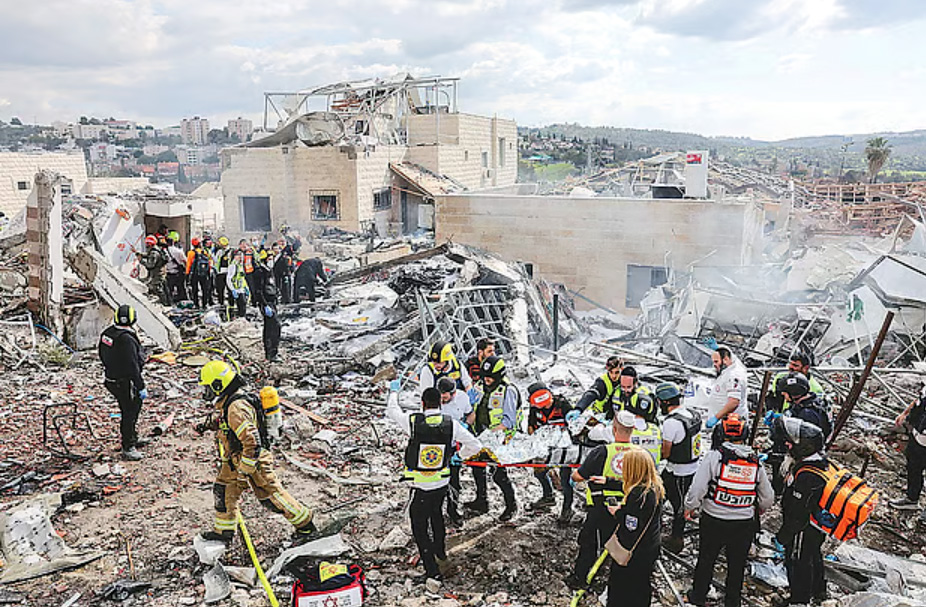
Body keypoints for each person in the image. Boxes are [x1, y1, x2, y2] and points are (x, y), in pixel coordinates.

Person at [196, 360, 316, 544]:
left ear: (218, 385)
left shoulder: (236, 408)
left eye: (208, 388)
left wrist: (245, 471)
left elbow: (252, 443)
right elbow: (227, 422)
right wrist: (208, 425)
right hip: (235, 457)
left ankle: (307, 527)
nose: (207, 393)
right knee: (224, 490)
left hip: (253, 460)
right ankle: (223, 532)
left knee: (271, 495)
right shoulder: (230, 400)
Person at [386, 382, 481, 584]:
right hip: (441, 483)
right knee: (437, 515)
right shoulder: (451, 423)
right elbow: (475, 444)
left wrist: (394, 391)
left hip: (420, 485)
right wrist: (458, 456)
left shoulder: (413, 421)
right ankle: (441, 554)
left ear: (422, 403)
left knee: (419, 527)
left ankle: (432, 571)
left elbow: (392, 411)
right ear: (441, 403)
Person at [684, 414, 773, 607]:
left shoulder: (714, 457)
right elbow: (767, 496)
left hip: (713, 518)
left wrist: (690, 507)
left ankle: (698, 595)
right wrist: (760, 509)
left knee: (706, 559)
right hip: (743, 522)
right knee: (737, 564)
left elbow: (698, 488)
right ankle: (732, 601)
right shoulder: (754, 461)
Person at [565, 410, 636, 590]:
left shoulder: (602, 452)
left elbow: (579, 476)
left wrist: (574, 476)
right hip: (626, 507)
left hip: (600, 506)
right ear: (633, 429)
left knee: (589, 542)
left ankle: (580, 578)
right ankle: (613, 580)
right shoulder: (639, 454)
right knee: (619, 543)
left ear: (613, 429)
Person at [773, 417, 829, 605]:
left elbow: (797, 516)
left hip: (803, 529)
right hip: (816, 526)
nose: (788, 445)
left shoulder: (807, 477)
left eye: (791, 443)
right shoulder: (819, 462)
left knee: (798, 562)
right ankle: (819, 590)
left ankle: (799, 599)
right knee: (813, 555)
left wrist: (782, 537)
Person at [605, 448, 664, 607]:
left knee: (621, 587)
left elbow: (631, 526)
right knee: (642, 585)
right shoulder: (655, 487)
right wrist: (607, 482)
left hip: (635, 552)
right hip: (651, 545)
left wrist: (618, 513)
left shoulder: (638, 496)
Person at [465, 356, 518, 521]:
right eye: (484, 376)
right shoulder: (480, 385)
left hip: (498, 438)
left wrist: (491, 435)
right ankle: (482, 501)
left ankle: (511, 505)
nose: (487, 379)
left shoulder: (508, 390)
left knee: (499, 475)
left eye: (490, 377)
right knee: (477, 468)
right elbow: (472, 406)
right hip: (479, 434)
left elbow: (509, 421)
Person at [766, 372, 833, 494]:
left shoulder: (808, 414)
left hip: (806, 462)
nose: (783, 396)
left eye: (785, 393)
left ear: (794, 393)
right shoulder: (807, 404)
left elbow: (801, 448)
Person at [656, 382, 701, 554]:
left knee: (678, 505)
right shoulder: (692, 414)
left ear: (665, 402)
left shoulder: (671, 423)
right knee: (662, 495)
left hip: (679, 470)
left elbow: (665, 452)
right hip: (691, 467)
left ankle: (676, 539)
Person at [98, 305, 148, 461]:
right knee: (129, 412)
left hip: (111, 379)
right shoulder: (126, 338)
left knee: (128, 409)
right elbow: (132, 365)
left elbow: (101, 354)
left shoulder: (108, 334)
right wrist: (140, 385)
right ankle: (128, 446)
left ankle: (132, 437)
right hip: (124, 382)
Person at [526, 381, 576, 522]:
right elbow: (531, 426)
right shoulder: (534, 409)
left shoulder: (563, 405)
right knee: (538, 470)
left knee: (565, 479)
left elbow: (574, 426)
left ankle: (567, 508)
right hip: (545, 446)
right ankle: (548, 496)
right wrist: (535, 445)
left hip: (564, 447)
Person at [436, 378, 475, 527]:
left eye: (445, 396)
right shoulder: (434, 400)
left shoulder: (462, 398)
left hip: (454, 445)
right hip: (438, 444)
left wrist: (465, 426)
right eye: (441, 396)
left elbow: (471, 415)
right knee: (437, 481)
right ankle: (436, 510)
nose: (442, 399)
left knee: (454, 480)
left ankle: (453, 510)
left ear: (453, 393)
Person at [890, 385, 926, 510]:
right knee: (913, 467)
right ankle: (911, 499)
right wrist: (905, 414)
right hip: (919, 434)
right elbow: (920, 399)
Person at [705, 346, 749, 430]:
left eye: (716, 361)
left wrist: (716, 418)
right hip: (724, 423)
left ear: (725, 359)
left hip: (731, 425)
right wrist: (719, 348)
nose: (714, 365)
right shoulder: (733, 365)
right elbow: (732, 356)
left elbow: (734, 402)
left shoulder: (733, 376)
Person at [137, 235, 168, 305]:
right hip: (158, 273)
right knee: (157, 287)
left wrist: (141, 260)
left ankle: (165, 303)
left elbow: (150, 265)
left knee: (157, 288)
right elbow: (148, 255)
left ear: (150, 244)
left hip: (158, 274)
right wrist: (139, 254)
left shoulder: (154, 253)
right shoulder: (154, 249)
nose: (146, 245)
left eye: (147, 243)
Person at [186, 237, 214, 308]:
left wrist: (187, 274)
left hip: (194, 273)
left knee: (195, 289)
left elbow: (188, 264)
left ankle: (196, 304)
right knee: (205, 289)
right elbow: (209, 262)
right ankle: (205, 304)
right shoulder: (204, 252)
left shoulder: (191, 253)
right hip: (204, 273)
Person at [226, 249, 250, 318]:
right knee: (232, 306)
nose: (240, 257)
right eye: (238, 255)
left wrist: (245, 287)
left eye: (241, 255)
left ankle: (242, 318)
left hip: (240, 289)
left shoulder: (241, 266)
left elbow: (242, 278)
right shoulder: (233, 266)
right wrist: (232, 289)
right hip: (234, 289)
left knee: (243, 305)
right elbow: (228, 279)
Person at [165, 232, 188, 303]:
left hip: (169, 273)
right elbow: (185, 261)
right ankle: (183, 302)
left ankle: (170, 302)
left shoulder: (164, 251)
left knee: (169, 290)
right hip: (178, 273)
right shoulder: (178, 251)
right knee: (181, 288)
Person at [262, 284, 281, 362]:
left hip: (271, 301)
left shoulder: (269, 272)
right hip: (266, 302)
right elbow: (257, 288)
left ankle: (271, 354)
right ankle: (271, 353)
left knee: (270, 327)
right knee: (274, 327)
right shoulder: (260, 272)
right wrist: (264, 304)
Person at [214, 236, 232, 306]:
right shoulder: (219, 251)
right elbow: (216, 261)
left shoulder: (231, 251)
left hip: (228, 272)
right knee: (220, 289)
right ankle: (221, 302)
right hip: (220, 272)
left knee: (229, 288)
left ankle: (231, 303)